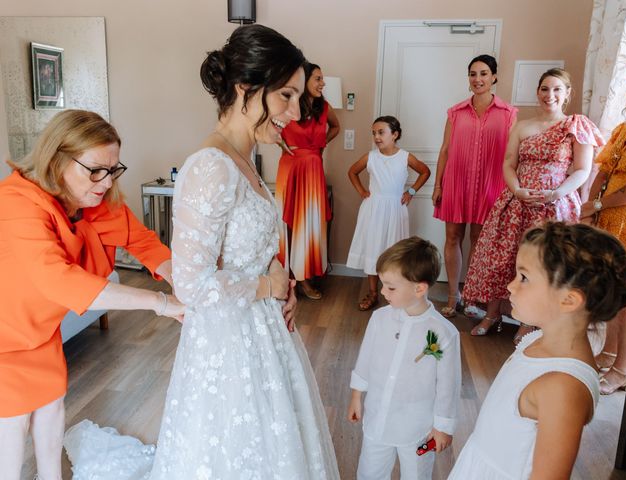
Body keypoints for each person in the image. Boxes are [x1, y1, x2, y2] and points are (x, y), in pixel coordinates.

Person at [64, 25, 339, 479]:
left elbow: (255, 243)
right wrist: (264, 285)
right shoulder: (210, 167)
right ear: (246, 88)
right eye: (286, 96)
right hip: (228, 340)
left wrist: (281, 280)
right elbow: (191, 283)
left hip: (264, 328)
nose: (295, 110)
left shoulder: (245, 160)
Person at [0, 109, 184, 480]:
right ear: (57, 160)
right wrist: (159, 302)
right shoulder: (17, 204)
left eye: (114, 169)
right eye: (95, 170)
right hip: (6, 336)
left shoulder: (93, 200)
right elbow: (60, 281)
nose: (105, 181)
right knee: (12, 433)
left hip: (41, 328)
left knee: (52, 413)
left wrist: (188, 286)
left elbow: (144, 244)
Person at [448, 222, 626, 479]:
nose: (511, 286)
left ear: (568, 300)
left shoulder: (563, 388)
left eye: (524, 277)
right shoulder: (535, 340)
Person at [462, 68, 604, 342]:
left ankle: (529, 321)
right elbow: (508, 163)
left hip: (555, 207)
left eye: (556, 89)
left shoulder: (576, 126)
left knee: (541, 264)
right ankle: (492, 315)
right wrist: (516, 189)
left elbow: (582, 170)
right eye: (544, 89)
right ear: (537, 92)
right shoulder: (522, 125)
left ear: (566, 94)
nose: (549, 95)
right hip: (517, 203)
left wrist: (556, 193)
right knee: (502, 260)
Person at [348, 236, 461, 480]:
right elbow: (365, 357)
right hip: (378, 417)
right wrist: (357, 395)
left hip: (417, 426)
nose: (382, 292)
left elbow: (448, 386)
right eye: (382, 284)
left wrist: (443, 426)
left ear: (419, 289)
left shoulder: (443, 333)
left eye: (390, 287)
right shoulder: (380, 318)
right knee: (370, 472)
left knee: (417, 474)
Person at [432, 55, 517, 319]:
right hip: (456, 182)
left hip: (490, 185)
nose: (477, 79)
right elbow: (445, 149)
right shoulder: (455, 112)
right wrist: (438, 184)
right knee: (452, 238)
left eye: (483, 73)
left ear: (493, 77)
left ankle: (471, 297)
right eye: (472, 74)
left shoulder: (509, 113)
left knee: (479, 243)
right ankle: (452, 296)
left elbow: (512, 155)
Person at [580, 72, 626, 394]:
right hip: (607, 216)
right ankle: (609, 352)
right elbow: (604, 169)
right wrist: (590, 207)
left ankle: (622, 370)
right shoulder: (625, 130)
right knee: (617, 291)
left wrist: (599, 204)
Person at [346, 116, 430, 310]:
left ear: (395, 134)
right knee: (374, 248)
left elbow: (425, 171)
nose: (376, 136)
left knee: (393, 251)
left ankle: (394, 291)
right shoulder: (371, 157)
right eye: (374, 133)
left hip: (395, 209)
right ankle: (373, 292)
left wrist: (411, 191)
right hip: (374, 208)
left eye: (381, 132)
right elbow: (352, 172)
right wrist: (361, 191)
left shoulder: (405, 157)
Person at [276, 62, 340, 300]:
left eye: (322, 79)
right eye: (318, 78)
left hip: (313, 168)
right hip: (290, 167)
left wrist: (320, 145)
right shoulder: (287, 107)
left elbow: (336, 127)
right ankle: (284, 277)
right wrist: (283, 145)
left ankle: (304, 279)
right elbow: (268, 127)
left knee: (310, 224)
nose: (322, 83)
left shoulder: (325, 108)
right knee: (287, 223)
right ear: (304, 82)